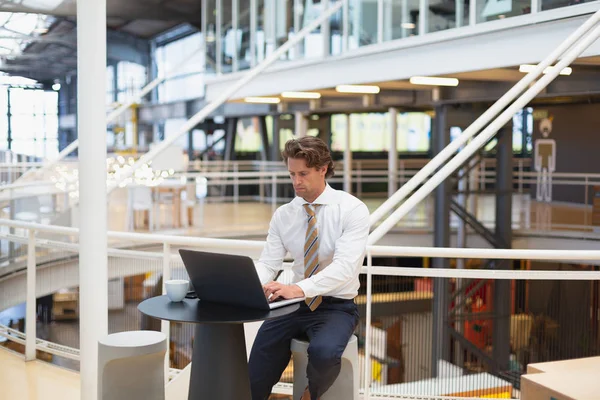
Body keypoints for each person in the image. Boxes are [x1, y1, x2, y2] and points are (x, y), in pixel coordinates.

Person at [249, 136, 370, 400]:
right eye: (292, 173)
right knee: (256, 367)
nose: (296, 181)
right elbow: (269, 263)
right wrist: (251, 285)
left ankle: (308, 395)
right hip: (292, 304)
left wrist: (296, 288)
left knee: (324, 353)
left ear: (323, 169)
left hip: (337, 305)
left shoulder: (352, 210)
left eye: (303, 173)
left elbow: (345, 269)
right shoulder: (284, 214)